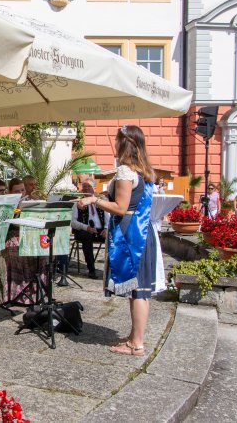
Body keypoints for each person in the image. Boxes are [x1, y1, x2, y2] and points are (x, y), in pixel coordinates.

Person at [77, 125, 156, 357]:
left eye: (116, 140)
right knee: (138, 289)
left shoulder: (124, 171)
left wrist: (94, 200)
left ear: (125, 144)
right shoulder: (145, 171)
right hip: (142, 230)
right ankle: (135, 337)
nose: (114, 143)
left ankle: (136, 344)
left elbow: (120, 208)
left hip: (131, 235)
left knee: (138, 291)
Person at [71, 179, 109, 279]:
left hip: (100, 230)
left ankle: (112, 270)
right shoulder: (78, 204)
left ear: (94, 188)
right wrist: (86, 227)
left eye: (89, 186)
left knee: (113, 237)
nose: (87, 188)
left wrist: (106, 229)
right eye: (85, 187)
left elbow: (108, 219)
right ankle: (91, 270)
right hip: (84, 231)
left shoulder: (101, 202)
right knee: (86, 237)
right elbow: (73, 223)